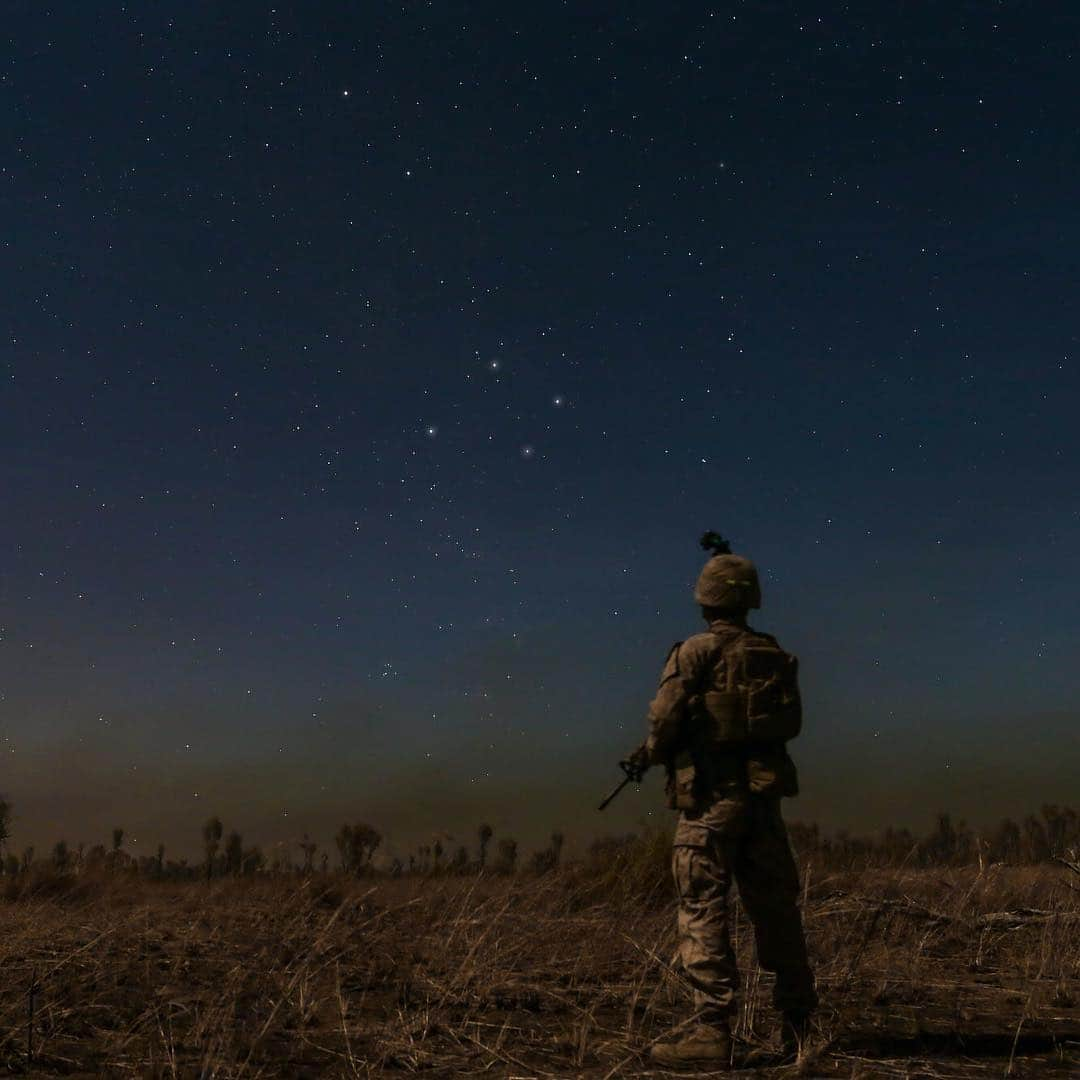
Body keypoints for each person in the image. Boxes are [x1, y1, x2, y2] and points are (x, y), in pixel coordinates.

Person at [635, 534, 817, 1069]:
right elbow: (792, 723)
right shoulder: (775, 654)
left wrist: (652, 752)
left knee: (702, 909)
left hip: (710, 803)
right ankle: (799, 1026)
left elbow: (664, 720)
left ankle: (711, 1031)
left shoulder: (695, 651)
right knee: (777, 913)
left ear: (705, 599)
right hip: (762, 803)